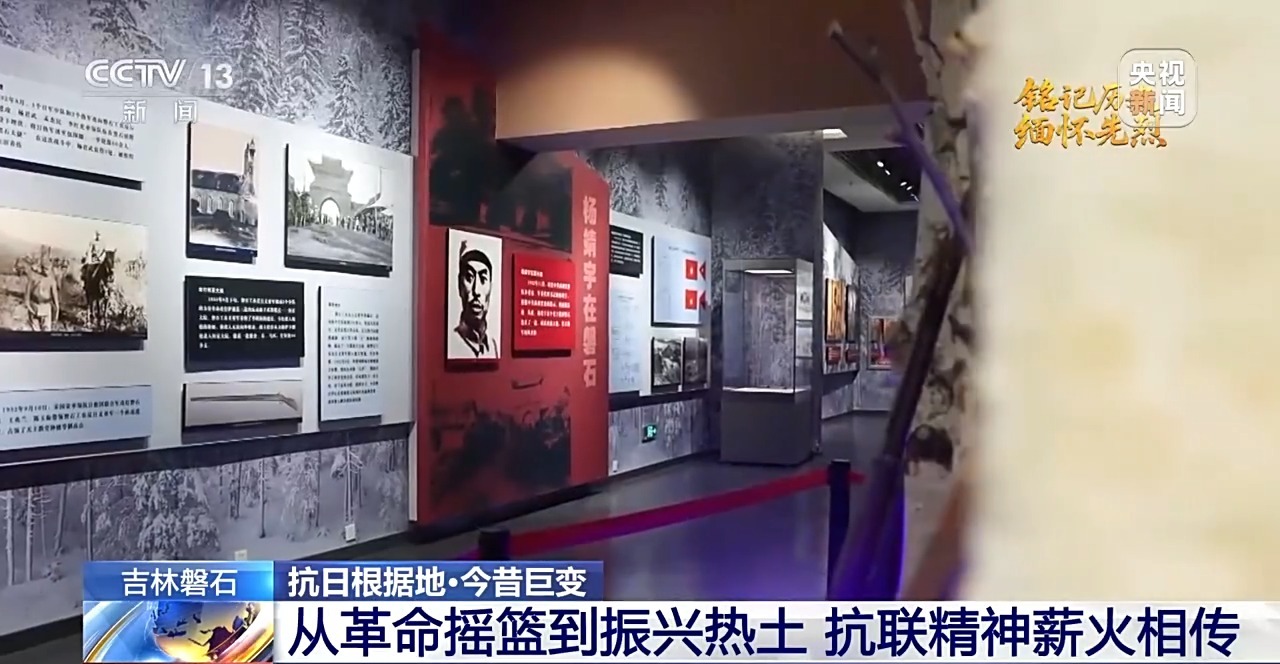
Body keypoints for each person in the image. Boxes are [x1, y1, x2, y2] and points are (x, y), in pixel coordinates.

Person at [449, 241, 497, 359]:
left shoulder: (493, 346)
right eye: (469, 277)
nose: (476, 291)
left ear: (490, 287)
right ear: (460, 285)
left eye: (483, 279)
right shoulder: (453, 342)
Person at [24, 256, 60, 332]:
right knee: (35, 331)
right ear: (41, 268)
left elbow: (55, 299)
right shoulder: (34, 278)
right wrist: (28, 306)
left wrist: (56, 313)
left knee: (46, 330)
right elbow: (27, 294)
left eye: (49, 269)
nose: (47, 271)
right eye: (45, 269)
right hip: (34, 307)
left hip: (46, 308)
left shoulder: (52, 281)